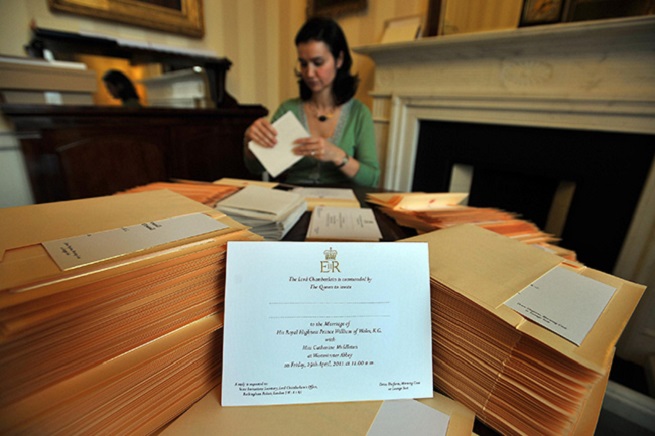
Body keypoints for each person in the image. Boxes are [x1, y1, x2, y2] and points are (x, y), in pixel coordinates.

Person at [244, 17, 380, 187]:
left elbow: (372, 179)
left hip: (341, 204)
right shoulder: (288, 109)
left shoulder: (359, 113)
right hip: (294, 198)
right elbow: (256, 168)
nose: (309, 73)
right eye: (303, 63)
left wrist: (337, 155)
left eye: (318, 63)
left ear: (339, 59)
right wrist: (251, 144)